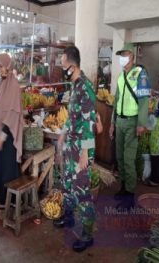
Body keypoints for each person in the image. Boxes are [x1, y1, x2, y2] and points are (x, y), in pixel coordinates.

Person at [53, 46, 96, 252]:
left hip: (81, 149)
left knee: (82, 191)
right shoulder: (75, 86)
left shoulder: (86, 88)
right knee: (68, 185)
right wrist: (62, 135)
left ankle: (88, 234)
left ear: (72, 65)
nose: (63, 69)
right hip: (71, 146)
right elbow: (72, 117)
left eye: (64, 66)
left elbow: (89, 124)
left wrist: (85, 154)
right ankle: (69, 218)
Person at [109, 43, 150, 210]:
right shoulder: (120, 76)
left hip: (133, 123)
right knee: (119, 157)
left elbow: (144, 101)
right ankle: (124, 188)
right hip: (119, 121)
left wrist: (141, 123)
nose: (122, 57)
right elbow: (117, 101)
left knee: (128, 160)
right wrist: (112, 122)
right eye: (120, 55)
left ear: (132, 56)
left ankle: (130, 197)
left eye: (125, 54)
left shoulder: (140, 74)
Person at [0, 53, 23, 218]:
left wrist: (2, 136)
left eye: (1, 66)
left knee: (5, 172)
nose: (0, 70)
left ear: (8, 66)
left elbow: (13, 114)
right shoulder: (0, 84)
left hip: (6, 138)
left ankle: (5, 207)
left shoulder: (14, 85)